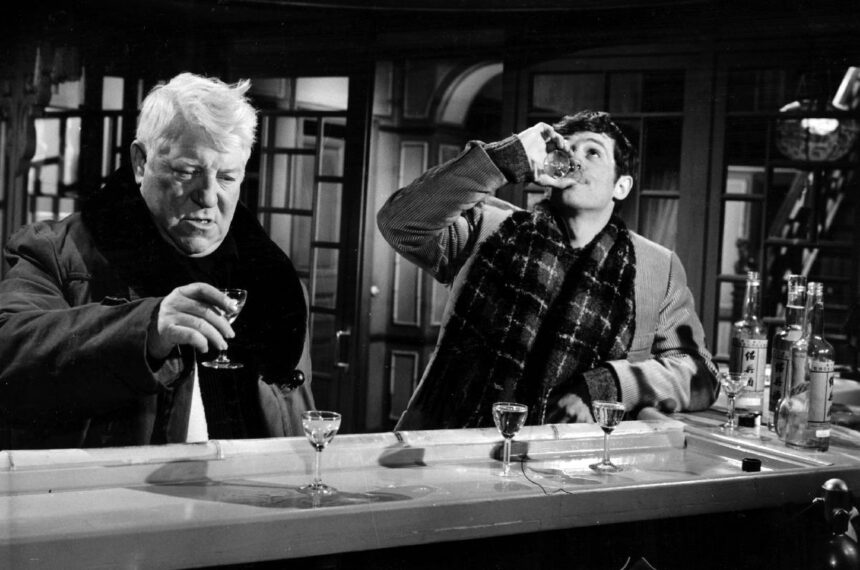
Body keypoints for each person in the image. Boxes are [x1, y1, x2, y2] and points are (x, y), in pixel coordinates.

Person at [0, 72, 313, 449]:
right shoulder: (54, 250)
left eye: (227, 177)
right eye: (187, 172)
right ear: (140, 162)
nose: (208, 197)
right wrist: (146, 328)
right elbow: (9, 353)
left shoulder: (277, 282)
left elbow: (295, 419)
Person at [377, 110, 718, 430]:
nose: (574, 159)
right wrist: (506, 158)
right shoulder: (487, 226)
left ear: (621, 186)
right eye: (566, 148)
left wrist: (609, 384)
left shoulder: (655, 266)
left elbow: (700, 373)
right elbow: (400, 223)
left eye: (593, 152)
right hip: (455, 444)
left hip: (574, 458)